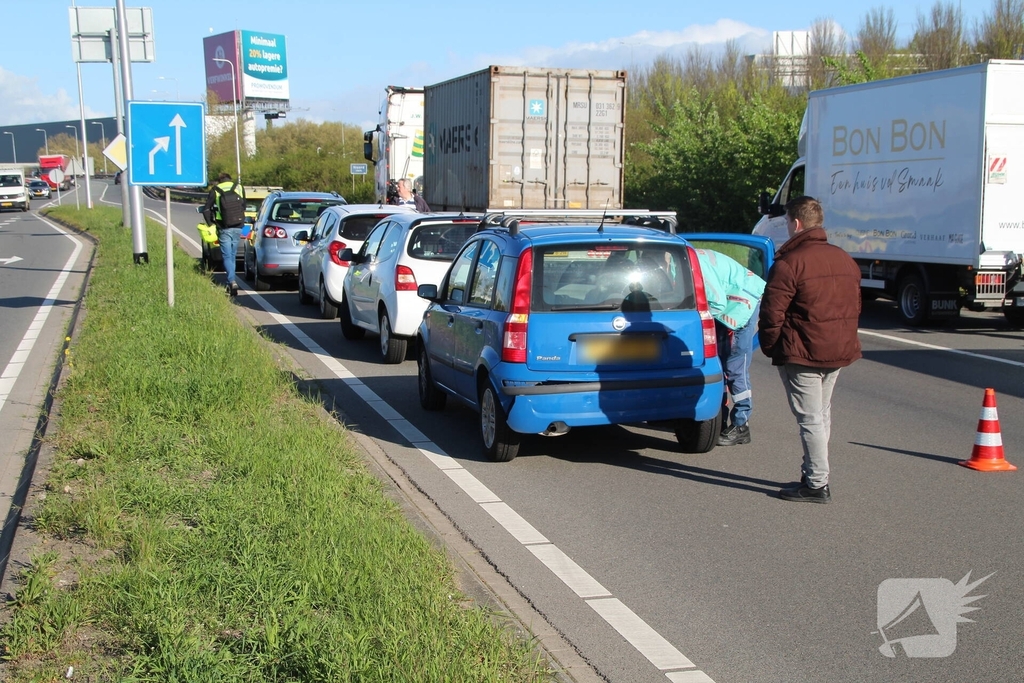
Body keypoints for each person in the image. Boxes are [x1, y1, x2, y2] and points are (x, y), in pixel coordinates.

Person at [759, 196, 862, 503]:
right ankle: (814, 474)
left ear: (796, 223)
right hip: (837, 348)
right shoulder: (845, 259)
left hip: (802, 350)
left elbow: (772, 312)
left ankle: (817, 483)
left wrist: (770, 346)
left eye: (787, 222)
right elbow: (855, 306)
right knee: (821, 414)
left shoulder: (790, 262)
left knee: (810, 419)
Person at [694, 249, 766, 447]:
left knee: (734, 365)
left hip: (740, 305)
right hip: (730, 302)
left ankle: (741, 424)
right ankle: (720, 420)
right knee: (718, 363)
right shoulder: (681, 257)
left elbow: (716, 304)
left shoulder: (693, 265)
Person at [202, 172, 246, 297]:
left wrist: (211, 224)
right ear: (230, 179)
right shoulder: (239, 187)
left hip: (223, 227)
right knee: (232, 255)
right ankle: (231, 282)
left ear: (219, 180)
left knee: (227, 256)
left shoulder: (215, 190)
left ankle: (231, 281)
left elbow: (206, 209)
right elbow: (244, 206)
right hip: (238, 226)